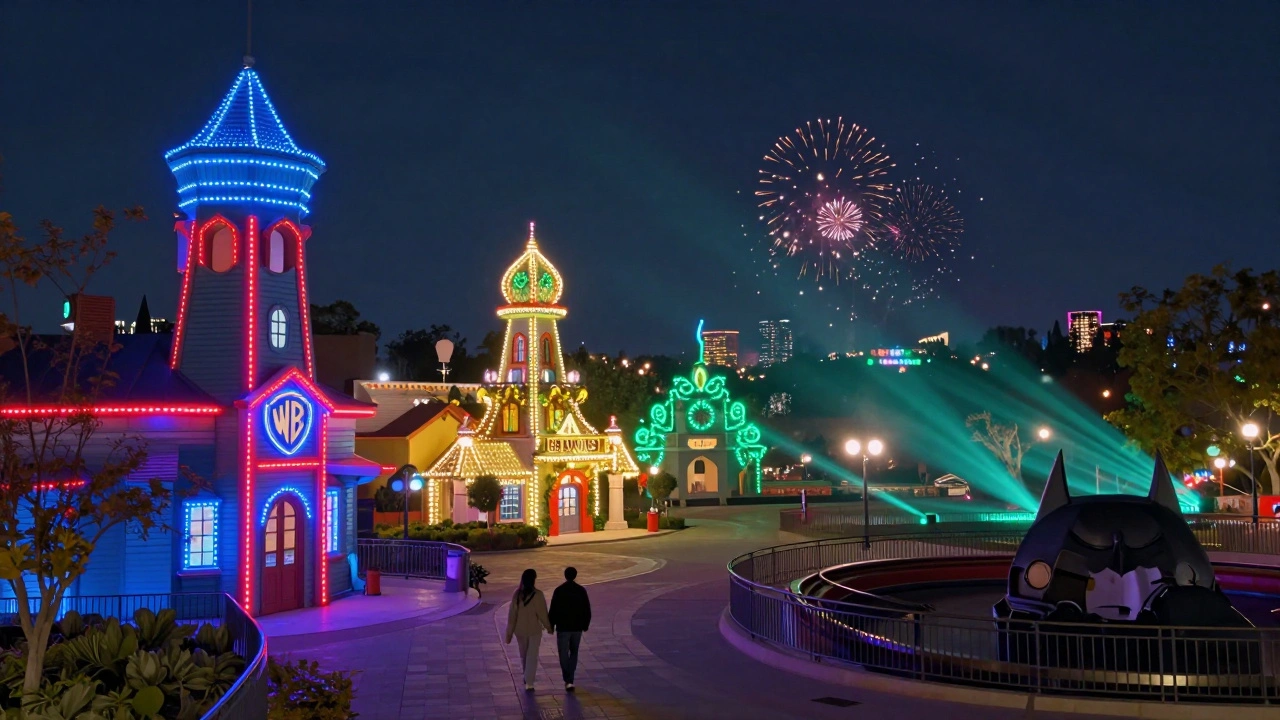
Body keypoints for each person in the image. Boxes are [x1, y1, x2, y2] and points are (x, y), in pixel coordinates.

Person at [505, 568, 552, 691]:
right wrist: (549, 627)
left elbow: (512, 615)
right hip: (534, 630)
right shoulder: (538, 594)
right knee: (532, 655)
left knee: (524, 655)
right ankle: (529, 681)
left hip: (519, 630)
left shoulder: (517, 594)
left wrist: (509, 634)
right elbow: (542, 614)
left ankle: (527, 676)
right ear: (534, 579)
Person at [548, 566, 591, 692]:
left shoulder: (559, 591)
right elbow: (586, 609)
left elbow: (553, 609)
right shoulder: (581, 590)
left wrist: (551, 625)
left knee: (563, 653)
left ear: (565, 576)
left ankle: (567, 678)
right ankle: (570, 678)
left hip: (563, 627)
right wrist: (585, 624)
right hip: (577, 627)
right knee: (574, 652)